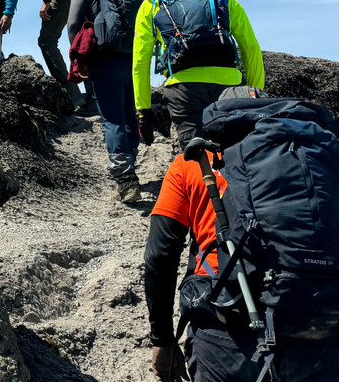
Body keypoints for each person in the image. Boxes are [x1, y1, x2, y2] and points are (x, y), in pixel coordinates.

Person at [144, 141, 339, 381]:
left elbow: (159, 256)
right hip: (315, 327)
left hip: (225, 329)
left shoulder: (192, 162)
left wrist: (163, 340)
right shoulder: (316, 156)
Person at [133, 0, 265, 149]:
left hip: (183, 89)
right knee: (235, 151)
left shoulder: (151, 3)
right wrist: (256, 92)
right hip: (228, 83)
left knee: (196, 154)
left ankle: (204, 177)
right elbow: (250, 47)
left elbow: (140, 61)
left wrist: (143, 109)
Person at [67, 0, 143, 203]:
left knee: (112, 119)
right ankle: (130, 162)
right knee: (130, 113)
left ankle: (126, 180)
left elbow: (72, 25)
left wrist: (81, 58)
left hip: (103, 60)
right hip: (133, 59)